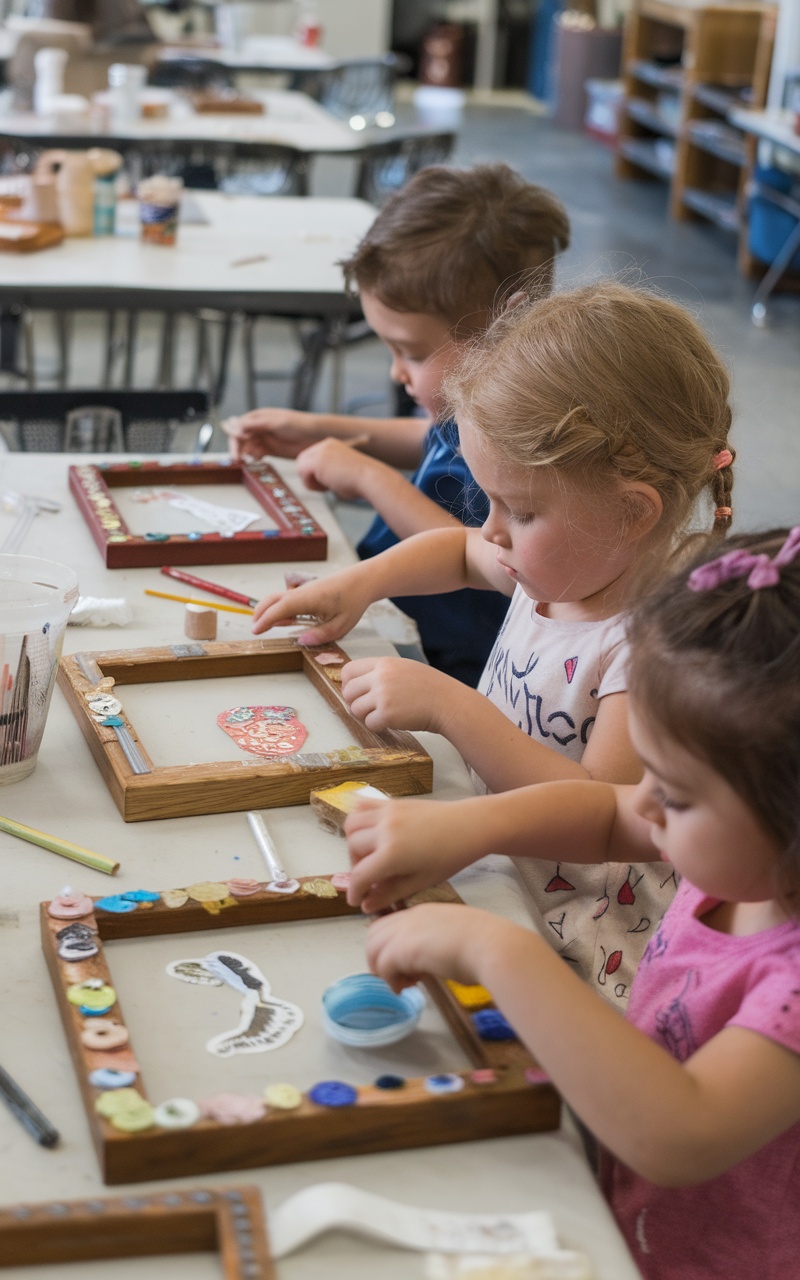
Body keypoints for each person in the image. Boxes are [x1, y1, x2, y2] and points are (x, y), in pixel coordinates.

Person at [251, 281, 736, 1002]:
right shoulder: (564, 564)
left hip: (581, 931)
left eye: (521, 509)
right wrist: (361, 585)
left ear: (631, 513)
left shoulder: (652, 642)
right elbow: (455, 552)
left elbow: (600, 808)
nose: (494, 531)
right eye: (490, 500)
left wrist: (451, 708)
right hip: (496, 857)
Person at [345, 528, 800, 1280]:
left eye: (676, 794)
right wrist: (468, 824)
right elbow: (607, 815)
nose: (644, 802)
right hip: (631, 1215)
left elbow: (678, 1135)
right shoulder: (750, 857)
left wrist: (499, 949)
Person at [224, 163, 571, 686]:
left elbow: (479, 553)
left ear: (507, 326)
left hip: (444, 664)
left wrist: (368, 478)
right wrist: (319, 430)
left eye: (411, 351)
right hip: (385, 610)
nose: (395, 372)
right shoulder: (478, 398)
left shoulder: (521, 430)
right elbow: (434, 445)